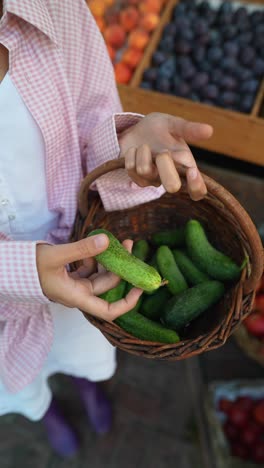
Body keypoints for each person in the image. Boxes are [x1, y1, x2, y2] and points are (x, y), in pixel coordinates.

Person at [0, 0, 213, 458]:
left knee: (83, 347)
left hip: (83, 256)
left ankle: (88, 386)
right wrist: (19, 270)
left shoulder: (55, 8)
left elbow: (92, 116)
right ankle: (47, 410)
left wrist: (126, 148)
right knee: (22, 381)